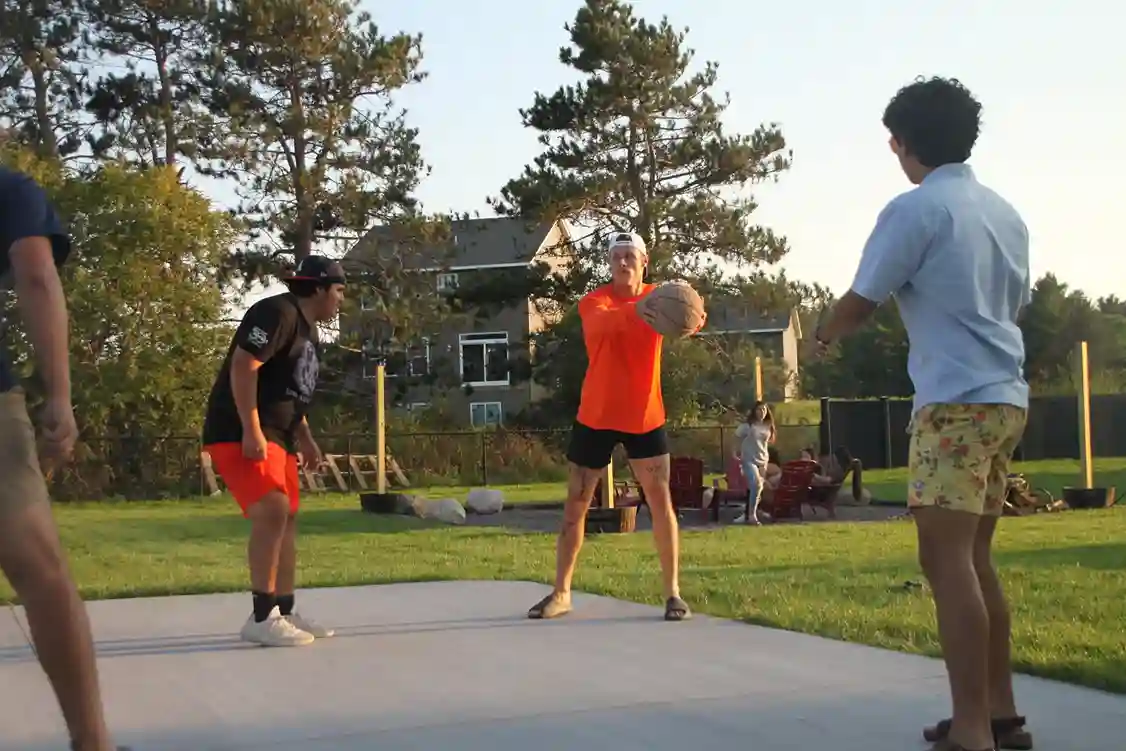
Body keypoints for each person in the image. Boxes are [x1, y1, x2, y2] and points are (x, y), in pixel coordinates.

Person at [814, 77, 1032, 751]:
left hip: (953, 406)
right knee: (976, 559)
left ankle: (971, 730)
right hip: (1004, 398)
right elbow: (1012, 303)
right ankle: (1000, 713)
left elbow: (860, 300)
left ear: (903, 143)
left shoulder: (916, 209)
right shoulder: (1004, 212)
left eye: (893, 141)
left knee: (945, 562)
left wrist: (822, 339)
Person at [0, 165, 127, 750]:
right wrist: (58, 397)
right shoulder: (8, 188)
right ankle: (92, 744)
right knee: (40, 570)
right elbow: (37, 276)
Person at [527, 231, 703, 622]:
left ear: (645, 261)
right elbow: (603, 327)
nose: (622, 263)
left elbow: (689, 316)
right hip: (598, 414)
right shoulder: (595, 301)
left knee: (660, 503)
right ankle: (562, 593)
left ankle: (673, 594)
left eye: (630, 256)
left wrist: (692, 315)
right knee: (576, 505)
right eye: (616, 257)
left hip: (644, 415)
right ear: (609, 263)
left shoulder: (663, 297)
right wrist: (641, 310)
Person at [202, 255, 345, 647]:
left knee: (288, 517)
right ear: (317, 288)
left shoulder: (308, 331)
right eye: (338, 290)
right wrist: (250, 429)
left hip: (279, 433)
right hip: (240, 429)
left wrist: (306, 438)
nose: (341, 299)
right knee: (273, 509)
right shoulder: (276, 313)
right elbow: (243, 365)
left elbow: (288, 394)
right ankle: (262, 616)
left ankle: (283, 609)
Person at [733, 401, 775, 525]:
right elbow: (736, 437)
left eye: (764, 410)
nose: (761, 412)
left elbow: (765, 444)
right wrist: (734, 453)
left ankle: (750, 512)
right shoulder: (748, 426)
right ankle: (752, 515)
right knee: (756, 484)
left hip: (763, 461)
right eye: (759, 409)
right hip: (749, 459)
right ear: (754, 411)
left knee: (758, 488)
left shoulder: (768, 426)